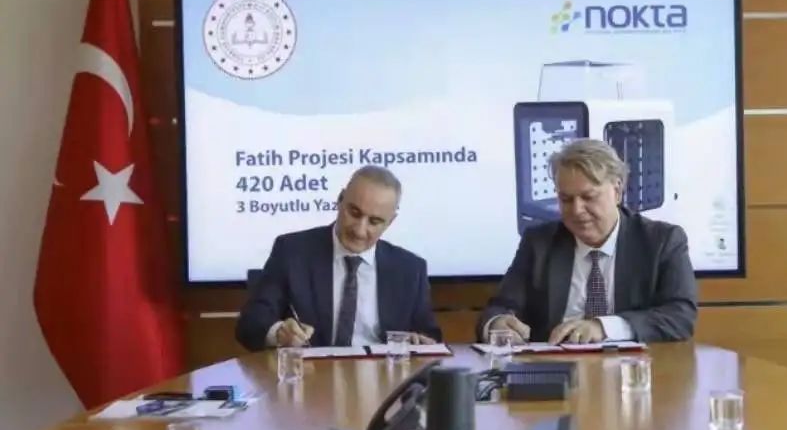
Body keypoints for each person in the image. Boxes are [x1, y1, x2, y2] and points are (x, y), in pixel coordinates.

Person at [478, 138, 697, 344]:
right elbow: (501, 307)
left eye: (589, 197)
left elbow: (680, 316)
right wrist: (498, 324)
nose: (577, 210)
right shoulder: (539, 243)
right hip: (555, 365)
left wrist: (603, 327)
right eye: (566, 199)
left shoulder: (662, 241)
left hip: (632, 366)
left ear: (617, 191)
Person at [236, 165, 441, 350]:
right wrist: (279, 332)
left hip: (385, 375)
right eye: (354, 213)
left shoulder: (410, 269)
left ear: (390, 222)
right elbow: (250, 323)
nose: (360, 230)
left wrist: (419, 342)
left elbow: (429, 337)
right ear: (340, 199)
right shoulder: (292, 252)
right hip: (311, 375)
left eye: (374, 221)